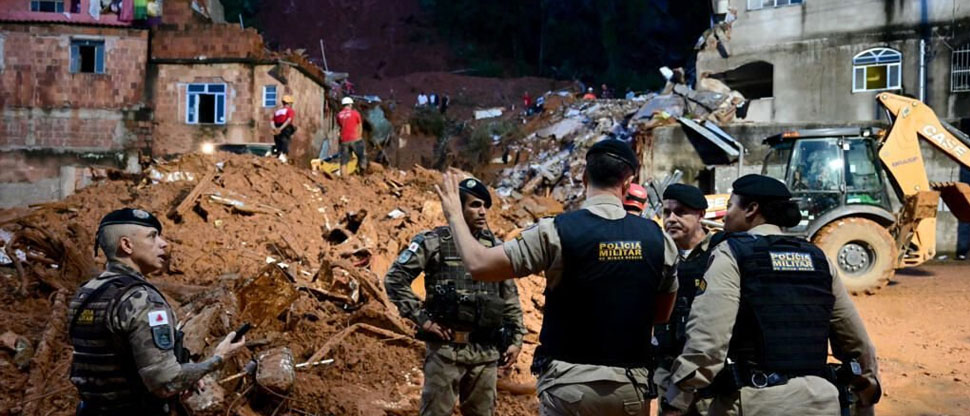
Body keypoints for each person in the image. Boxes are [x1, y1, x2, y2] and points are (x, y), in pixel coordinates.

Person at [435, 139, 679, 416]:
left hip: (568, 386)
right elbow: (661, 315)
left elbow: (479, 264)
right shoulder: (659, 240)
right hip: (630, 388)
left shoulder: (555, 232)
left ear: (584, 177)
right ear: (628, 182)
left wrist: (455, 215)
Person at [660, 175, 881, 416]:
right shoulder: (819, 258)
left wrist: (676, 401)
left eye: (730, 206)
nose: (725, 215)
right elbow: (857, 343)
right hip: (820, 401)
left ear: (752, 209)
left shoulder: (731, 253)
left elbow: (707, 342)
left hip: (754, 401)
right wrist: (867, 393)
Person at [68, 208, 247, 415]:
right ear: (126, 245)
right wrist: (217, 359)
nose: (163, 243)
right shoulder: (142, 299)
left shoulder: (86, 293)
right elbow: (165, 383)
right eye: (152, 236)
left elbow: (111, 359)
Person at [385, 178, 525, 416]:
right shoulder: (435, 242)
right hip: (446, 352)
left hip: (485, 353)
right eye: (475, 205)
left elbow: (509, 297)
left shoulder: (495, 248)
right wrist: (423, 319)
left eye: (485, 207)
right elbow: (395, 280)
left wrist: (516, 338)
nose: (482, 212)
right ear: (458, 208)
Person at [652, 184, 720, 416]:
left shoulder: (722, 252)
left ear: (701, 214)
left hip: (710, 374)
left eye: (680, 212)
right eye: (666, 212)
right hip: (667, 365)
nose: (671, 219)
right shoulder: (658, 254)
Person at [337, 96, 366, 176]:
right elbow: (359, 126)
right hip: (355, 139)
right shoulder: (355, 113)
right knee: (361, 156)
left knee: (344, 159)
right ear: (350, 105)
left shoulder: (339, 115)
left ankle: (343, 176)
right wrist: (359, 136)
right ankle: (362, 174)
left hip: (344, 140)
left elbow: (341, 127)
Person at [271, 95, 296, 163]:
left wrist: (275, 129)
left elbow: (272, 121)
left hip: (277, 127)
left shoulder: (277, 111)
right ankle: (284, 156)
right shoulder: (290, 110)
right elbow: (288, 120)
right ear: (289, 103)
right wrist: (281, 129)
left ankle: (279, 155)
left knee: (278, 143)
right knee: (285, 141)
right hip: (285, 128)